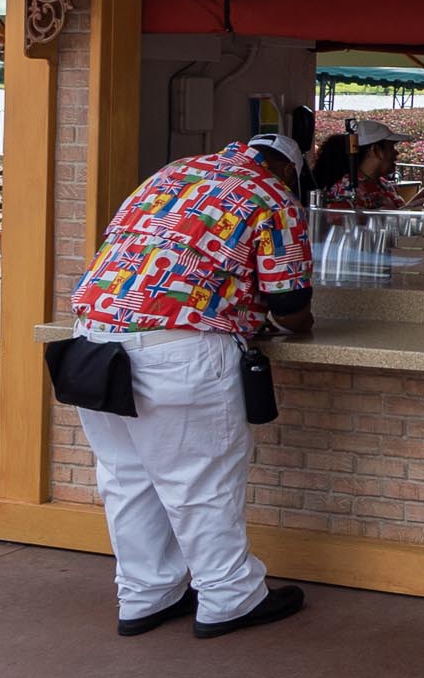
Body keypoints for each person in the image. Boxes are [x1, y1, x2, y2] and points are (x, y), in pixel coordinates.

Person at [69, 132, 314, 639]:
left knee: (125, 478)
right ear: (289, 170)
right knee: (199, 483)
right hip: (180, 348)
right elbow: (291, 308)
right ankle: (230, 598)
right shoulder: (272, 194)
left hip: (93, 340)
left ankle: (145, 595)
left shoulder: (170, 173)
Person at [319, 122, 424, 211]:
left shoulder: (384, 185)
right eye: (391, 147)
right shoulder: (347, 190)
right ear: (375, 150)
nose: (396, 153)